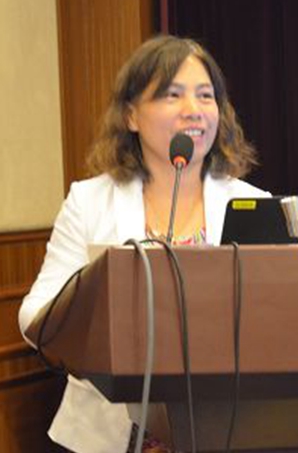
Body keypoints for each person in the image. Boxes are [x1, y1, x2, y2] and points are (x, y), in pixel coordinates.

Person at [18, 35, 271, 453]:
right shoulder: (89, 201)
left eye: (206, 95)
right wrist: (96, 321)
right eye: (173, 95)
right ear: (131, 114)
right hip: (108, 434)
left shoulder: (254, 205)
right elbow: (34, 316)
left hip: (225, 430)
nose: (194, 109)